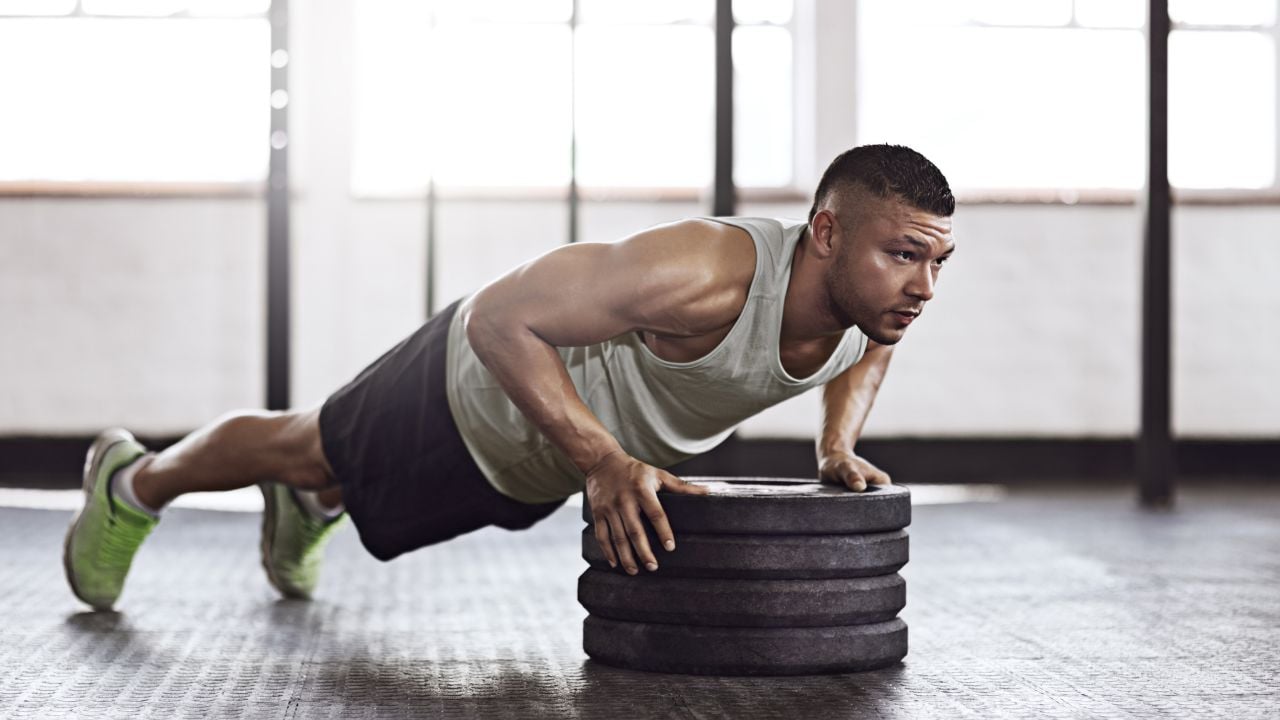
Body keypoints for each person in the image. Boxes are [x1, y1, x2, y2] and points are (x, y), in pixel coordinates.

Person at [63, 144, 956, 611]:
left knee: (355, 490)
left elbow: (869, 350)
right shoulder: (706, 273)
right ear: (828, 234)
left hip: (551, 459)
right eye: (905, 256)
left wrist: (836, 444)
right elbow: (499, 317)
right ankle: (133, 483)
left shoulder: (874, 306)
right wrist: (604, 460)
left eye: (939, 263)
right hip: (472, 389)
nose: (922, 289)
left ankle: (313, 504)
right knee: (307, 445)